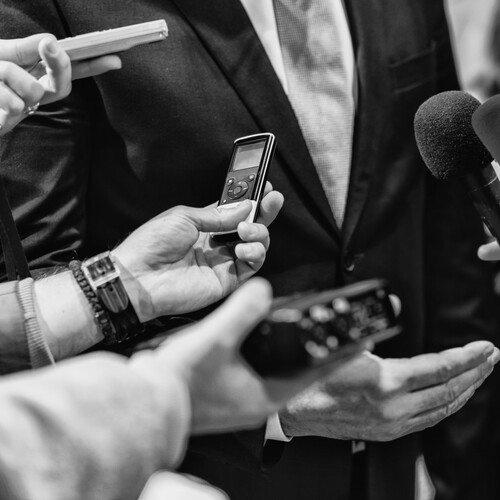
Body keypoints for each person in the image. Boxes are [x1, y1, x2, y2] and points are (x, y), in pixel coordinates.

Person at [0, 2, 498, 500]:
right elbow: (34, 282)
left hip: (393, 468)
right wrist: (268, 403)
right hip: (191, 479)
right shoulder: (47, 12)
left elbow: (454, 242)